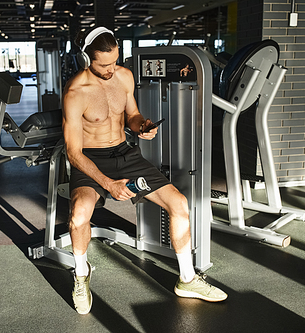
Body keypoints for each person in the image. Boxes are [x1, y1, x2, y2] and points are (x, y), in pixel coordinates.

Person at [62, 26, 227, 315]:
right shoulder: (75, 92)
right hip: (91, 161)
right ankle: (81, 273)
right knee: (78, 217)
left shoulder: (124, 76)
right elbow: (73, 153)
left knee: (179, 204)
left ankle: (187, 279)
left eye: (115, 61)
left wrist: (142, 127)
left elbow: (132, 115)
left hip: (125, 152)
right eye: (103, 65)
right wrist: (108, 184)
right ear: (86, 59)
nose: (111, 69)